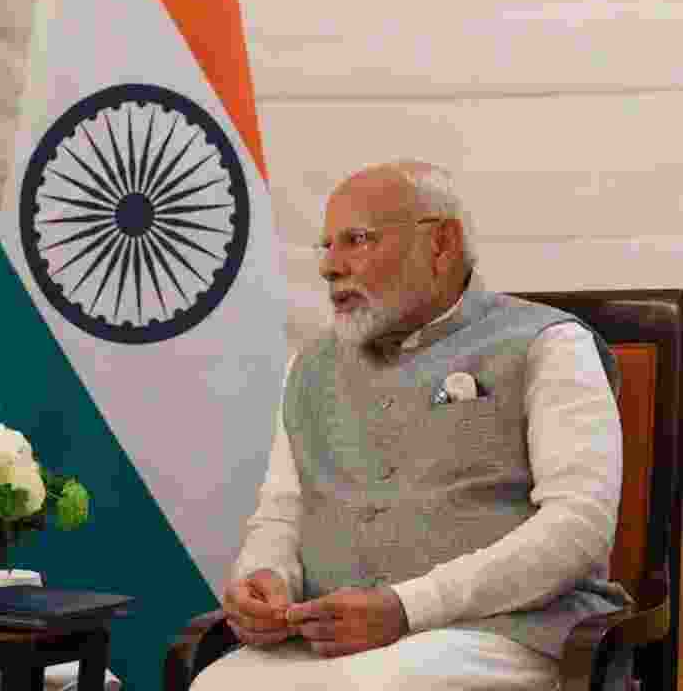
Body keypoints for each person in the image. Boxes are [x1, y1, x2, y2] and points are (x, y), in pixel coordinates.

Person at [194, 162, 630, 689]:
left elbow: (577, 528)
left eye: (356, 240)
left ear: (441, 243)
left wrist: (407, 607)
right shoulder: (308, 368)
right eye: (326, 246)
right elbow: (284, 511)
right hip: (332, 638)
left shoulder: (550, 345)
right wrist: (265, 577)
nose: (330, 267)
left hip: (500, 632)